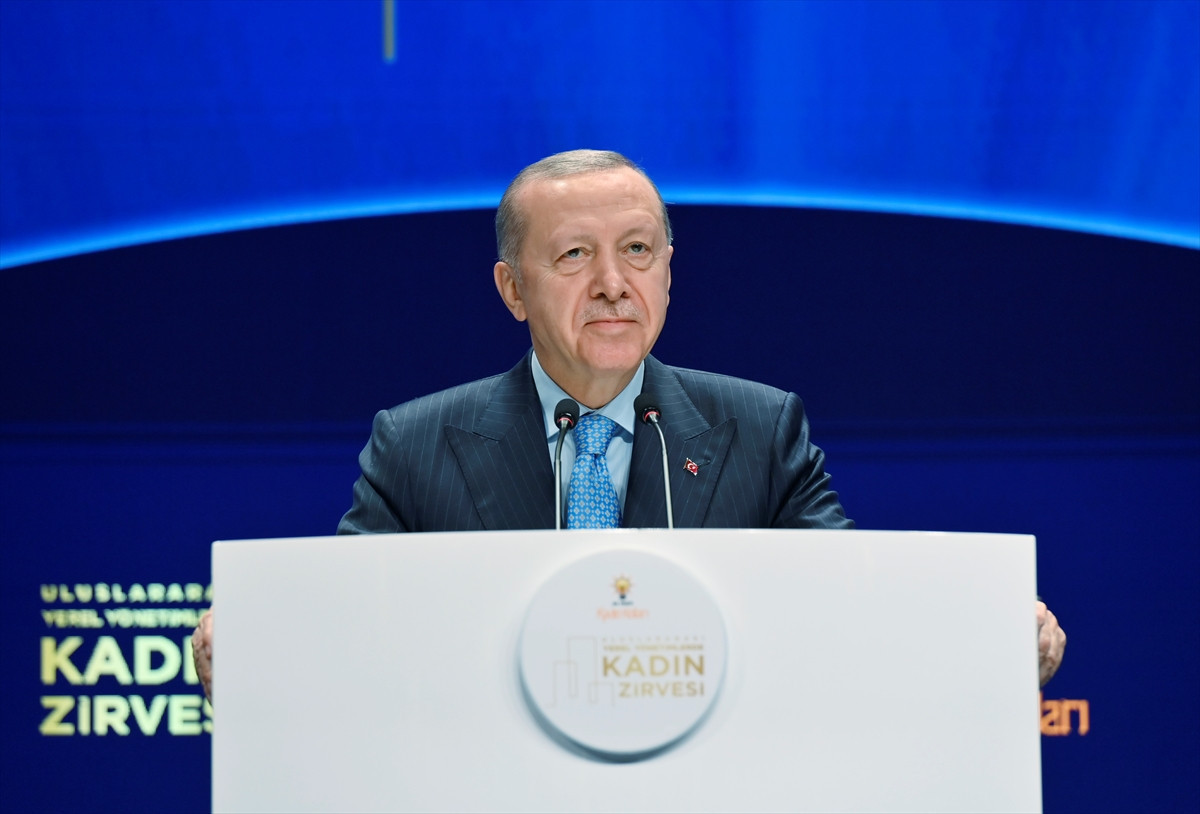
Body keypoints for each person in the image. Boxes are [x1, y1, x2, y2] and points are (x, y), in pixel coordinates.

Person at [192, 149, 1065, 697]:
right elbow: (345, 626)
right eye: (575, 254)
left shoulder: (760, 428)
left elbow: (846, 612)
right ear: (513, 289)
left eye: (638, 251)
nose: (614, 283)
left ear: (669, 271)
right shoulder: (416, 444)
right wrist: (259, 642)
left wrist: (977, 633)